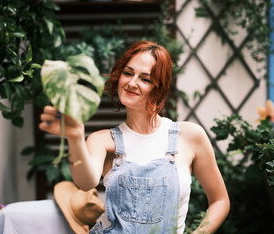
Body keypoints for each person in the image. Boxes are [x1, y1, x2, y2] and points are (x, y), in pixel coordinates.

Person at [39, 40, 230, 233]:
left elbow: (220, 200)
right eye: (128, 73)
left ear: (159, 88)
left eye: (145, 79)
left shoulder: (189, 136)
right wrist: (75, 138)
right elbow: (85, 183)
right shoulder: (103, 141)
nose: (131, 83)